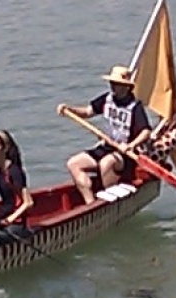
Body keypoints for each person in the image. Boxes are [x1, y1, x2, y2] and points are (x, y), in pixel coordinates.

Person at [59, 65, 154, 204]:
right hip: (106, 147)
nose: (112, 86)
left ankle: (111, 202)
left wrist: (130, 146)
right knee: (74, 163)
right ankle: (90, 204)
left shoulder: (135, 106)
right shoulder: (107, 99)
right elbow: (86, 112)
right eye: (112, 83)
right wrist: (69, 109)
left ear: (126, 87)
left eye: (116, 84)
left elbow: (146, 132)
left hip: (125, 154)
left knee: (106, 164)